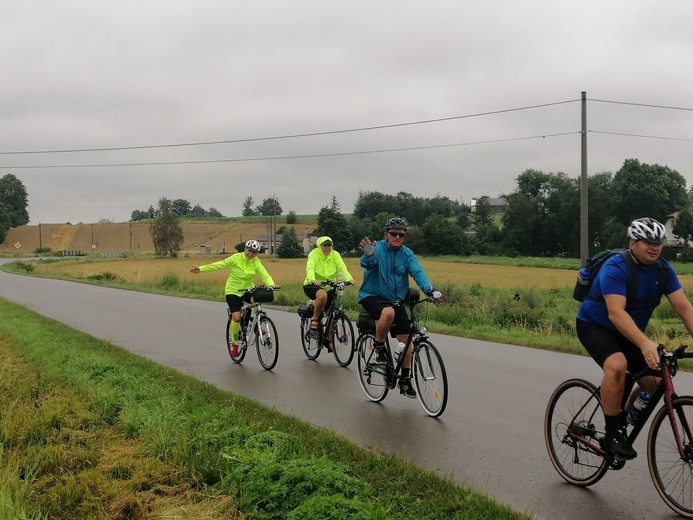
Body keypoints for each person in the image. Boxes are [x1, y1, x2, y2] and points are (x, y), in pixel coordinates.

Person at [576, 217, 693, 460]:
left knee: (657, 382)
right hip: (595, 326)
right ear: (632, 243)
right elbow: (616, 313)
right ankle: (611, 433)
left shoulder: (663, 269)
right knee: (617, 366)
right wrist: (645, 343)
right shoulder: (616, 267)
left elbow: (685, 309)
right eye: (647, 242)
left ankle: (624, 419)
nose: (654, 247)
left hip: (630, 333)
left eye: (659, 242)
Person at [358, 217, 441, 398]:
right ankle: (379, 348)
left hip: (396, 299)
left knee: (407, 340)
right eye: (393, 234)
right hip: (372, 296)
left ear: (405, 237)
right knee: (388, 313)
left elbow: (417, 272)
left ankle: (405, 379)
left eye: (401, 235)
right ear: (386, 234)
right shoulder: (377, 248)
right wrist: (369, 255)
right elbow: (367, 264)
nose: (397, 237)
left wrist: (430, 290)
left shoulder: (407, 254)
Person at [190, 239, 278, 357]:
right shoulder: (236, 258)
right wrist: (201, 269)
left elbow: (265, 274)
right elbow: (219, 264)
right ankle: (235, 344)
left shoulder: (256, 262)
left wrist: (271, 285)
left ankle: (257, 325)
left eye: (254, 252)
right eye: (249, 251)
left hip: (247, 289)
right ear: (245, 249)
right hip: (233, 290)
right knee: (236, 317)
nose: (250, 254)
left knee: (256, 300)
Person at [303, 236, 355, 349]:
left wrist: (349, 279)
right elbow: (310, 268)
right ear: (320, 246)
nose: (327, 248)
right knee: (322, 296)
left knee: (331, 313)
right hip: (312, 285)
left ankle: (328, 339)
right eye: (324, 245)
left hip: (329, 286)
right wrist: (313, 279)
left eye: (329, 245)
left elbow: (342, 268)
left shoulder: (335, 254)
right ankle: (315, 319)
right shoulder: (314, 254)